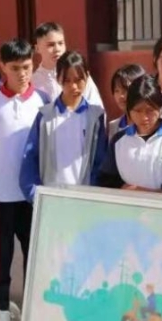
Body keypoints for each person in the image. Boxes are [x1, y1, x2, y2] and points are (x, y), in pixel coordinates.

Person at [0, 39, 49, 321]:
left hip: (32, 197)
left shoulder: (44, 100)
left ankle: (35, 319)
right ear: (2, 66)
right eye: (15, 68)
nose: (22, 74)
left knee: (35, 259)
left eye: (26, 67)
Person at [19, 51, 107, 203]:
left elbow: (100, 161)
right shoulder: (45, 116)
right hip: (52, 199)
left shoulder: (95, 117)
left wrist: (93, 195)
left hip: (85, 199)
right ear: (58, 78)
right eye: (67, 80)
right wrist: (35, 195)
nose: (74, 86)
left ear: (87, 77)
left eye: (79, 80)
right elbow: (30, 156)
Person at [96, 75, 162, 195]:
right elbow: (105, 179)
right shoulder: (118, 141)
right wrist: (122, 187)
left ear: (160, 108)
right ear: (129, 110)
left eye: (150, 110)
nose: (144, 117)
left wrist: (150, 194)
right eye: (138, 111)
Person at [31, 22, 104, 108]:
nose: (57, 49)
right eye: (51, 45)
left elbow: (96, 106)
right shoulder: (34, 81)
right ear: (37, 48)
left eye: (60, 43)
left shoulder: (78, 73)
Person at [108, 64, 146, 141]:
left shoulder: (150, 123)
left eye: (125, 90)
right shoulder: (114, 126)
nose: (121, 96)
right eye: (117, 91)